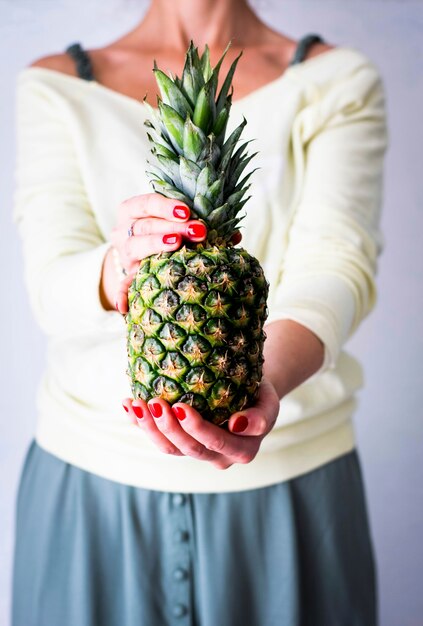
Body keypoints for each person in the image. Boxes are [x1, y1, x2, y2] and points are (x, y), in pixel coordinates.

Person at [11, 0, 388, 624]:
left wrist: (267, 385)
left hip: (292, 488)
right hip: (89, 488)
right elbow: (51, 285)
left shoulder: (336, 79)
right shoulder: (54, 85)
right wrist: (122, 262)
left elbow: (337, 263)